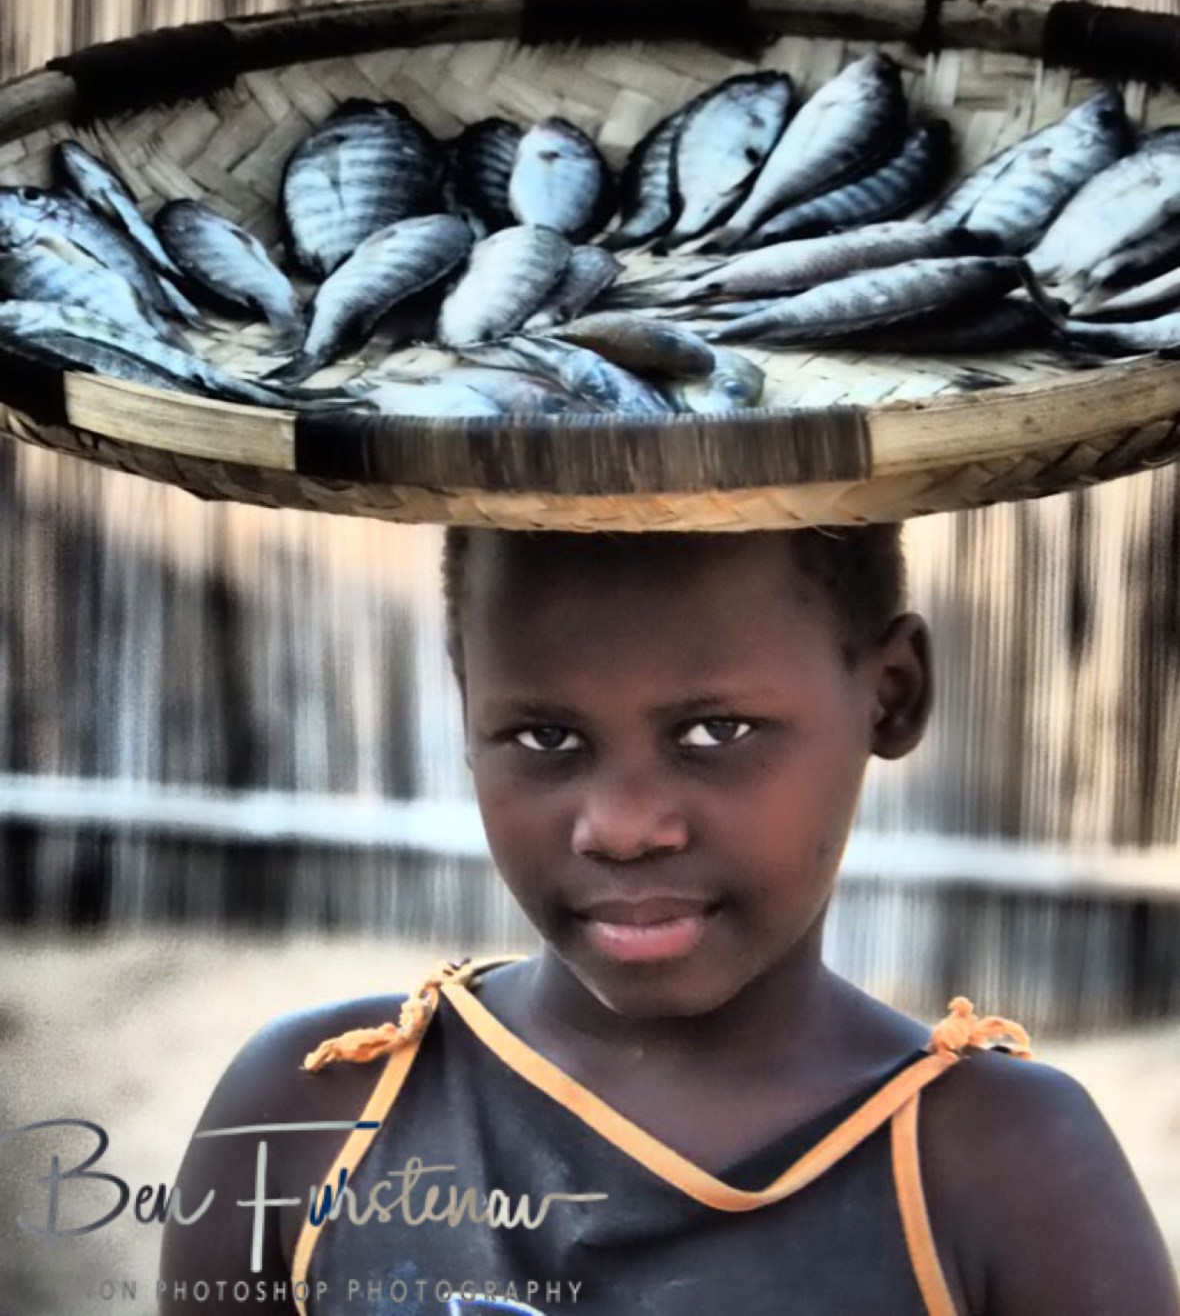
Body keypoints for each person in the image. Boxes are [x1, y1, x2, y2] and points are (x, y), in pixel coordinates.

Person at [160, 525, 1180, 1316]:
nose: (621, 826)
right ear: (467, 699)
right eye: (545, 733)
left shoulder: (1002, 1169)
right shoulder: (313, 1119)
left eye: (713, 730)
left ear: (891, 694)